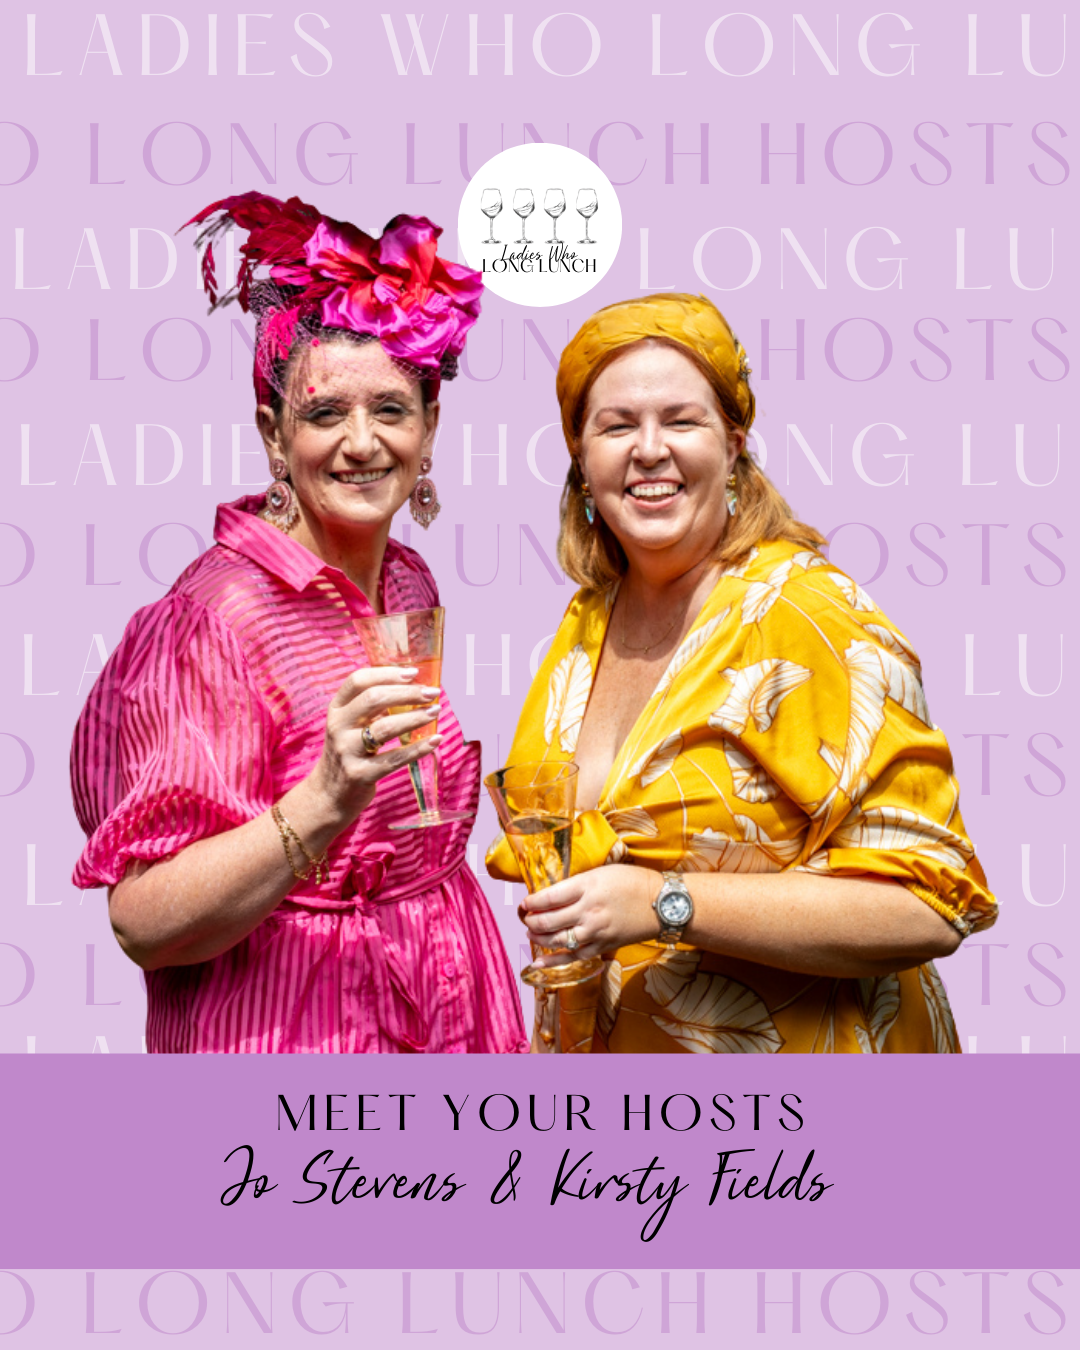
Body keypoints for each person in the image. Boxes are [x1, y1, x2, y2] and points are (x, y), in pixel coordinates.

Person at [71, 192, 528, 1055]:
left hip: (446, 1010)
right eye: (324, 414)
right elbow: (142, 923)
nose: (362, 443)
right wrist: (324, 798)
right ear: (274, 435)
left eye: (391, 409)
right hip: (292, 1043)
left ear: (430, 427)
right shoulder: (210, 622)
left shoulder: (406, 577)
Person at [487, 293, 996, 1054]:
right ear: (581, 462)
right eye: (617, 426)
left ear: (733, 446)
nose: (648, 449)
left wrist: (663, 902)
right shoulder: (588, 620)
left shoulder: (808, 612)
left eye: (681, 421)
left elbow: (930, 905)